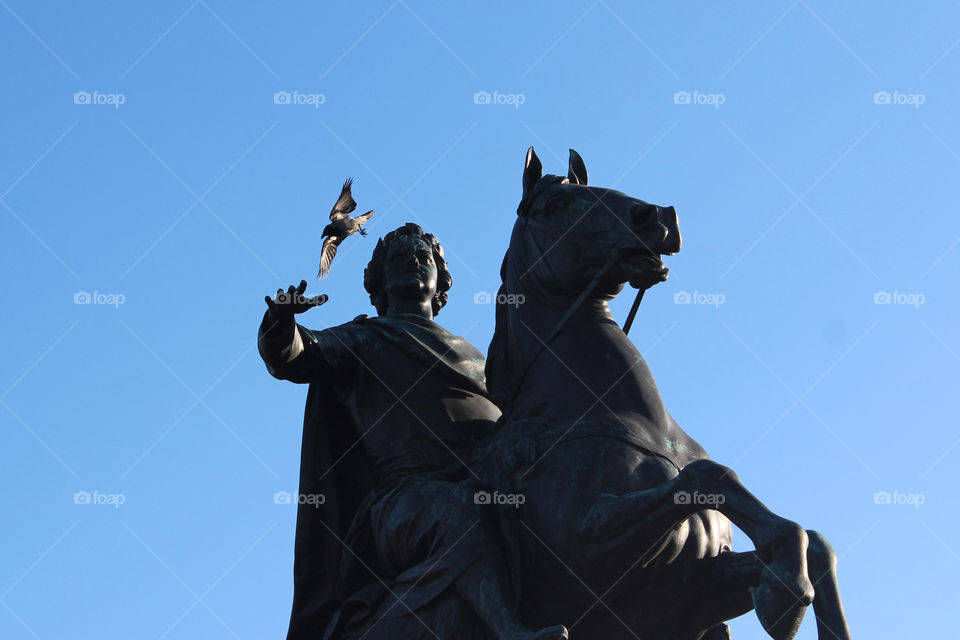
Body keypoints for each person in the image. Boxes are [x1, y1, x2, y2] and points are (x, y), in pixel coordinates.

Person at [259, 223, 567, 640]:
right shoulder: (362, 339)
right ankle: (509, 631)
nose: (413, 263)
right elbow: (295, 355)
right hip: (404, 501)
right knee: (458, 509)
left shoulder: (477, 356)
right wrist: (280, 323)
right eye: (400, 258)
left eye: (423, 258)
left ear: (441, 278)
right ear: (380, 279)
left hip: (490, 480)